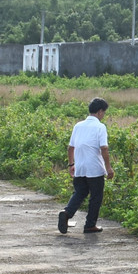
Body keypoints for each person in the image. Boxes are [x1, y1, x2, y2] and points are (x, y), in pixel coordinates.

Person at [58, 97, 115, 234]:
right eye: (104, 112)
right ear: (100, 111)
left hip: (80, 166)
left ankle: (67, 213)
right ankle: (90, 225)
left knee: (80, 192)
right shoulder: (100, 127)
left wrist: (71, 164)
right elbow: (104, 148)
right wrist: (108, 168)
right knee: (96, 197)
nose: (103, 115)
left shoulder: (78, 126)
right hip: (94, 168)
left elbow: (70, 148)